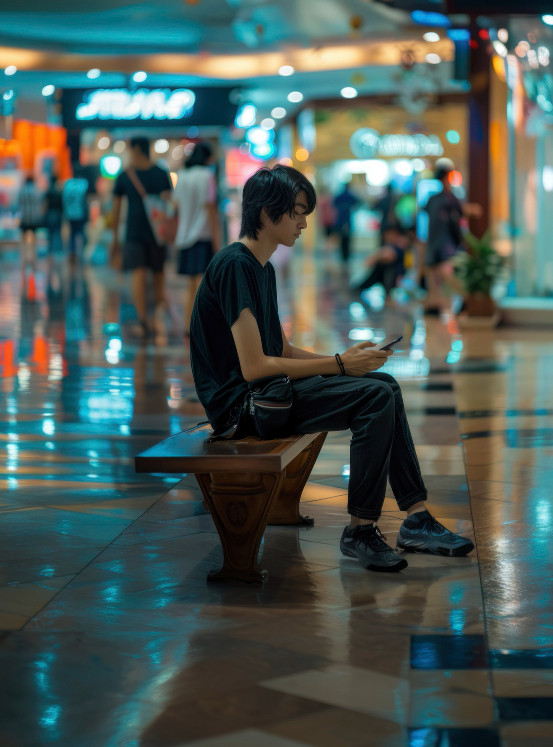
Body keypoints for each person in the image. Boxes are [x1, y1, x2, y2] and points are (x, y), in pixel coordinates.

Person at [190, 164, 473, 572]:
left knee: (385, 386)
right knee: (375, 397)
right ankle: (360, 529)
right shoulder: (236, 264)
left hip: (267, 395)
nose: (305, 222)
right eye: (297, 212)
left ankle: (416, 517)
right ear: (268, 214)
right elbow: (253, 367)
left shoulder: (260, 267)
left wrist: (349, 360)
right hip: (243, 409)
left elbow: (280, 348)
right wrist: (340, 365)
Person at [111, 136, 172, 338]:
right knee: (158, 274)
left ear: (137, 149)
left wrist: (114, 239)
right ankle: (155, 318)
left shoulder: (125, 175)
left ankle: (143, 320)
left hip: (134, 231)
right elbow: (168, 205)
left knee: (137, 274)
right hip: (158, 233)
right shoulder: (161, 173)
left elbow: (116, 210)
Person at [173, 142, 221, 333]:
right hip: (202, 235)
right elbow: (209, 208)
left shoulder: (182, 175)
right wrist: (217, 241)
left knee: (190, 286)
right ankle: (201, 327)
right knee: (202, 286)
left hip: (184, 236)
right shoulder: (207, 175)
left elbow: (175, 207)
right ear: (207, 158)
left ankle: (188, 325)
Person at [421, 159, 464, 315]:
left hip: (437, 242)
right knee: (441, 273)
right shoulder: (447, 198)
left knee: (439, 273)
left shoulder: (435, 199)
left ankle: (437, 302)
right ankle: (437, 302)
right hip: (442, 243)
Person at [353, 223, 412, 296]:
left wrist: (373, 258)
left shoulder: (398, 247)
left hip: (399, 283)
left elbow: (389, 254)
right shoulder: (399, 246)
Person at [62, 171, 89, 263]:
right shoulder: (82, 185)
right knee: (81, 233)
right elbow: (84, 201)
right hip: (80, 213)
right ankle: (81, 254)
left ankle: (73, 253)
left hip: (70, 213)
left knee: (73, 234)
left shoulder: (68, 185)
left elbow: (65, 200)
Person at [333, 181, 360, 261]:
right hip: (347, 220)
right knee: (347, 238)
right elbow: (358, 202)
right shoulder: (350, 195)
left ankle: (343, 254)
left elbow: (334, 203)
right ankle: (346, 255)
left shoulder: (339, 195)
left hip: (340, 220)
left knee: (342, 238)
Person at [18, 175, 43, 261]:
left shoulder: (21, 191)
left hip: (24, 218)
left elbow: (18, 204)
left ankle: (24, 255)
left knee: (23, 238)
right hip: (33, 219)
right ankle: (32, 254)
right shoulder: (36, 190)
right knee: (33, 238)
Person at [44, 174, 63, 254]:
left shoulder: (48, 192)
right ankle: (58, 250)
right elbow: (61, 205)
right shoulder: (58, 192)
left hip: (50, 214)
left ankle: (50, 250)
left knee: (50, 234)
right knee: (58, 233)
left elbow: (45, 204)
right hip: (57, 214)